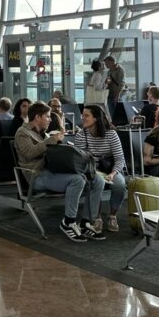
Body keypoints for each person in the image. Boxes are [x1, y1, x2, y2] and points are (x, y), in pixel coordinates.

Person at [14, 101, 105, 242]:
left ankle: (86, 222)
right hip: (36, 176)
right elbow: (29, 153)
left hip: (52, 171)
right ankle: (68, 222)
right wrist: (51, 140)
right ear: (37, 117)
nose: (50, 119)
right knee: (77, 180)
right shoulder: (22, 133)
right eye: (48, 116)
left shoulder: (42, 134)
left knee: (98, 180)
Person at [72, 104, 126, 232]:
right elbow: (79, 160)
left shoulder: (111, 134)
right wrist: (92, 171)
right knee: (96, 182)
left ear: (96, 118)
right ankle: (97, 216)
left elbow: (120, 159)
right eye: (82, 115)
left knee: (119, 184)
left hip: (109, 168)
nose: (83, 118)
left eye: (86, 116)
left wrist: (113, 173)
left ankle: (112, 215)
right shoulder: (81, 135)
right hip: (91, 169)